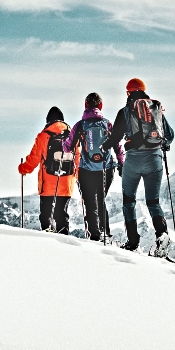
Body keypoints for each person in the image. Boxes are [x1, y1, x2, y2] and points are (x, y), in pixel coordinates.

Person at [102, 78, 175, 255]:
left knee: (129, 201)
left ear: (128, 93)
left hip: (134, 160)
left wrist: (104, 146)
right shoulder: (156, 109)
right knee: (153, 201)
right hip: (155, 159)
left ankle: (133, 242)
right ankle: (162, 234)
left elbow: (115, 137)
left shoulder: (125, 112)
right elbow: (170, 135)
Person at [62, 92, 124, 242]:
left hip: (86, 170)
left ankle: (94, 235)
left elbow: (67, 148)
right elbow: (117, 146)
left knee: (90, 202)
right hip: (106, 169)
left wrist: (65, 138)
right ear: (100, 106)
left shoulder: (80, 125)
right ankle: (105, 234)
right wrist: (121, 163)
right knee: (101, 200)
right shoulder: (108, 124)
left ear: (85, 105)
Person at [18, 106, 76, 233]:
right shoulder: (72, 136)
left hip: (47, 185)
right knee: (62, 215)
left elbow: (34, 158)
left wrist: (23, 169)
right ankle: (65, 243)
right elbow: (78, 160)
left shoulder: (43, 136)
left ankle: (48, 241)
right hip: (66, 184)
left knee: (46, 217)